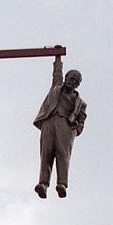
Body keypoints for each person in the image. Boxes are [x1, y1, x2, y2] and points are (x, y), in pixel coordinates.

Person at [33, 55, 86, 198]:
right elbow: (57, 72)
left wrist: (75, 130)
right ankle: (43, 184)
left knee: (63, 154)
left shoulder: (80, 103)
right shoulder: (56, 87)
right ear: (66, 78)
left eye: (76, 82)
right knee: (46, 153)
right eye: (71, 79)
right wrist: (58, 58)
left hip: (65, 126)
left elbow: (82, 119)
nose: (72, 82)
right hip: (49, 122)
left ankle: (62, 183)